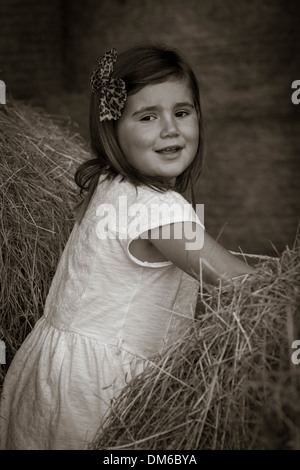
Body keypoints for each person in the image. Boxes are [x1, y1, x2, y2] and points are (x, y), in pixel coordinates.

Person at [0, 45, 255, 450]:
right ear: (112, 129)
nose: (170, 129)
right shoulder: (160, 212)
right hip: (104, 393)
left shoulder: (106, 184)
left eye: (182, 112)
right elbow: (240, 284)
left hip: (54, 374)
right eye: (148, 117)